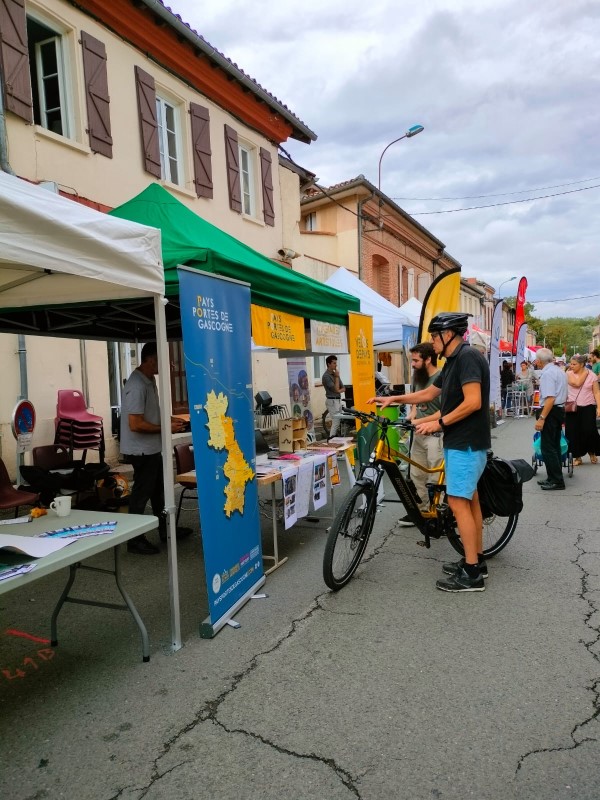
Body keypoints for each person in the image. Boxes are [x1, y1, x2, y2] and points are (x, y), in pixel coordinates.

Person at [369, 312, 491, 593]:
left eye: (435, 337)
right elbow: (428, 394)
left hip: (466, 443)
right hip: (461, 441)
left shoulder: (468, 357)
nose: (432, 343)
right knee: (470, 502)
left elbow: (473, 402)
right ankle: (477, 560)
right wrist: (393, 398)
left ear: (448, 335)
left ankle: (472, 574)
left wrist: (439, 422)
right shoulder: (452, 361)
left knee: (460, 503)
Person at [120, 342, 191, 555]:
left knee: (159, 492)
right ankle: (134, 539)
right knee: (141, 494)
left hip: (151, 448)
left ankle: (165, 530)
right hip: (140, 450)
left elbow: (152, 414)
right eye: (162, 360)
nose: (168, 364)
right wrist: (165, 428)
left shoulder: (149, 381)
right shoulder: (137, 385)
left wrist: (171, 420)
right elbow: (135, 424)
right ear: (151, 359)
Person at [397, 342, 443, 527]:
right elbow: (416, 401)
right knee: (417, 474)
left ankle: (438, 514)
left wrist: (418, 422)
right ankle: (422, 511)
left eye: (416, 360)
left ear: (428, 359)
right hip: (418, 434)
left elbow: (444, 412)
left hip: (436, 436)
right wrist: (412, 415)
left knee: (436, 477)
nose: (413, 364)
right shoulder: (418, 377)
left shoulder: (441, 378)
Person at [533, 347, 568, 491]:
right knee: (554, 445)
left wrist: (542, 418)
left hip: (551, 411)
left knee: (548, 447)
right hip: (558, 410)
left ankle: (556, 480)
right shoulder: (559, 370)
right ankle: (553, 476)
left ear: (540, 362)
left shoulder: (547, 374)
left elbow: (550, 398)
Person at [564, 354, 600, 466]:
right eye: (571, 363)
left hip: (588, 406)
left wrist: (599, 407)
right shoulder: (568, 374)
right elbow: (576, 383)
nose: (571, 366)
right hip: (572, 407)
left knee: (589, 430)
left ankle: (592, 452)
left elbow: (596, 392)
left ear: (582, 364)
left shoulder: (592, 375)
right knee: (572, 432)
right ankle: (577, 457)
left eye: (574, 364)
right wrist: (585, 372)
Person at [322, 355, 345, 439]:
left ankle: (337, 438)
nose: (336, 365)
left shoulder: (335, 374)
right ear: (329, 364)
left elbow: (343, 388)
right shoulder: (326, 376)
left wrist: (337, 377)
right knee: (335, 421)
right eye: (334, 363)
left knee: (340, 420)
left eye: (336, 363)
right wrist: (336, 377)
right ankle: (331, 439)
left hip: (338, 400)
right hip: (331, 401)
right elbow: (335, 389)